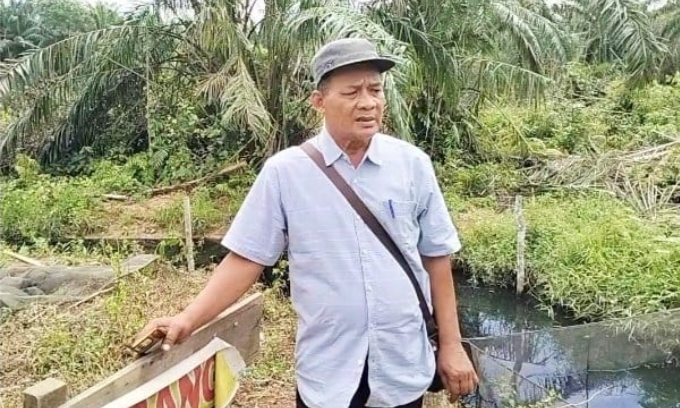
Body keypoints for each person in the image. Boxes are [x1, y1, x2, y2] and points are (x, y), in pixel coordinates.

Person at [135, 37, 478, 408]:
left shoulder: (412, 165)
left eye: (375, 90)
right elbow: (247, 258)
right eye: (352, 92)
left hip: (401, 367)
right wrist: (187, 319)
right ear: (319, 101)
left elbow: (436, 257)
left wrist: (451, 344)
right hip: (328, 374)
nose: (368, 102)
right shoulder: (286, 173)